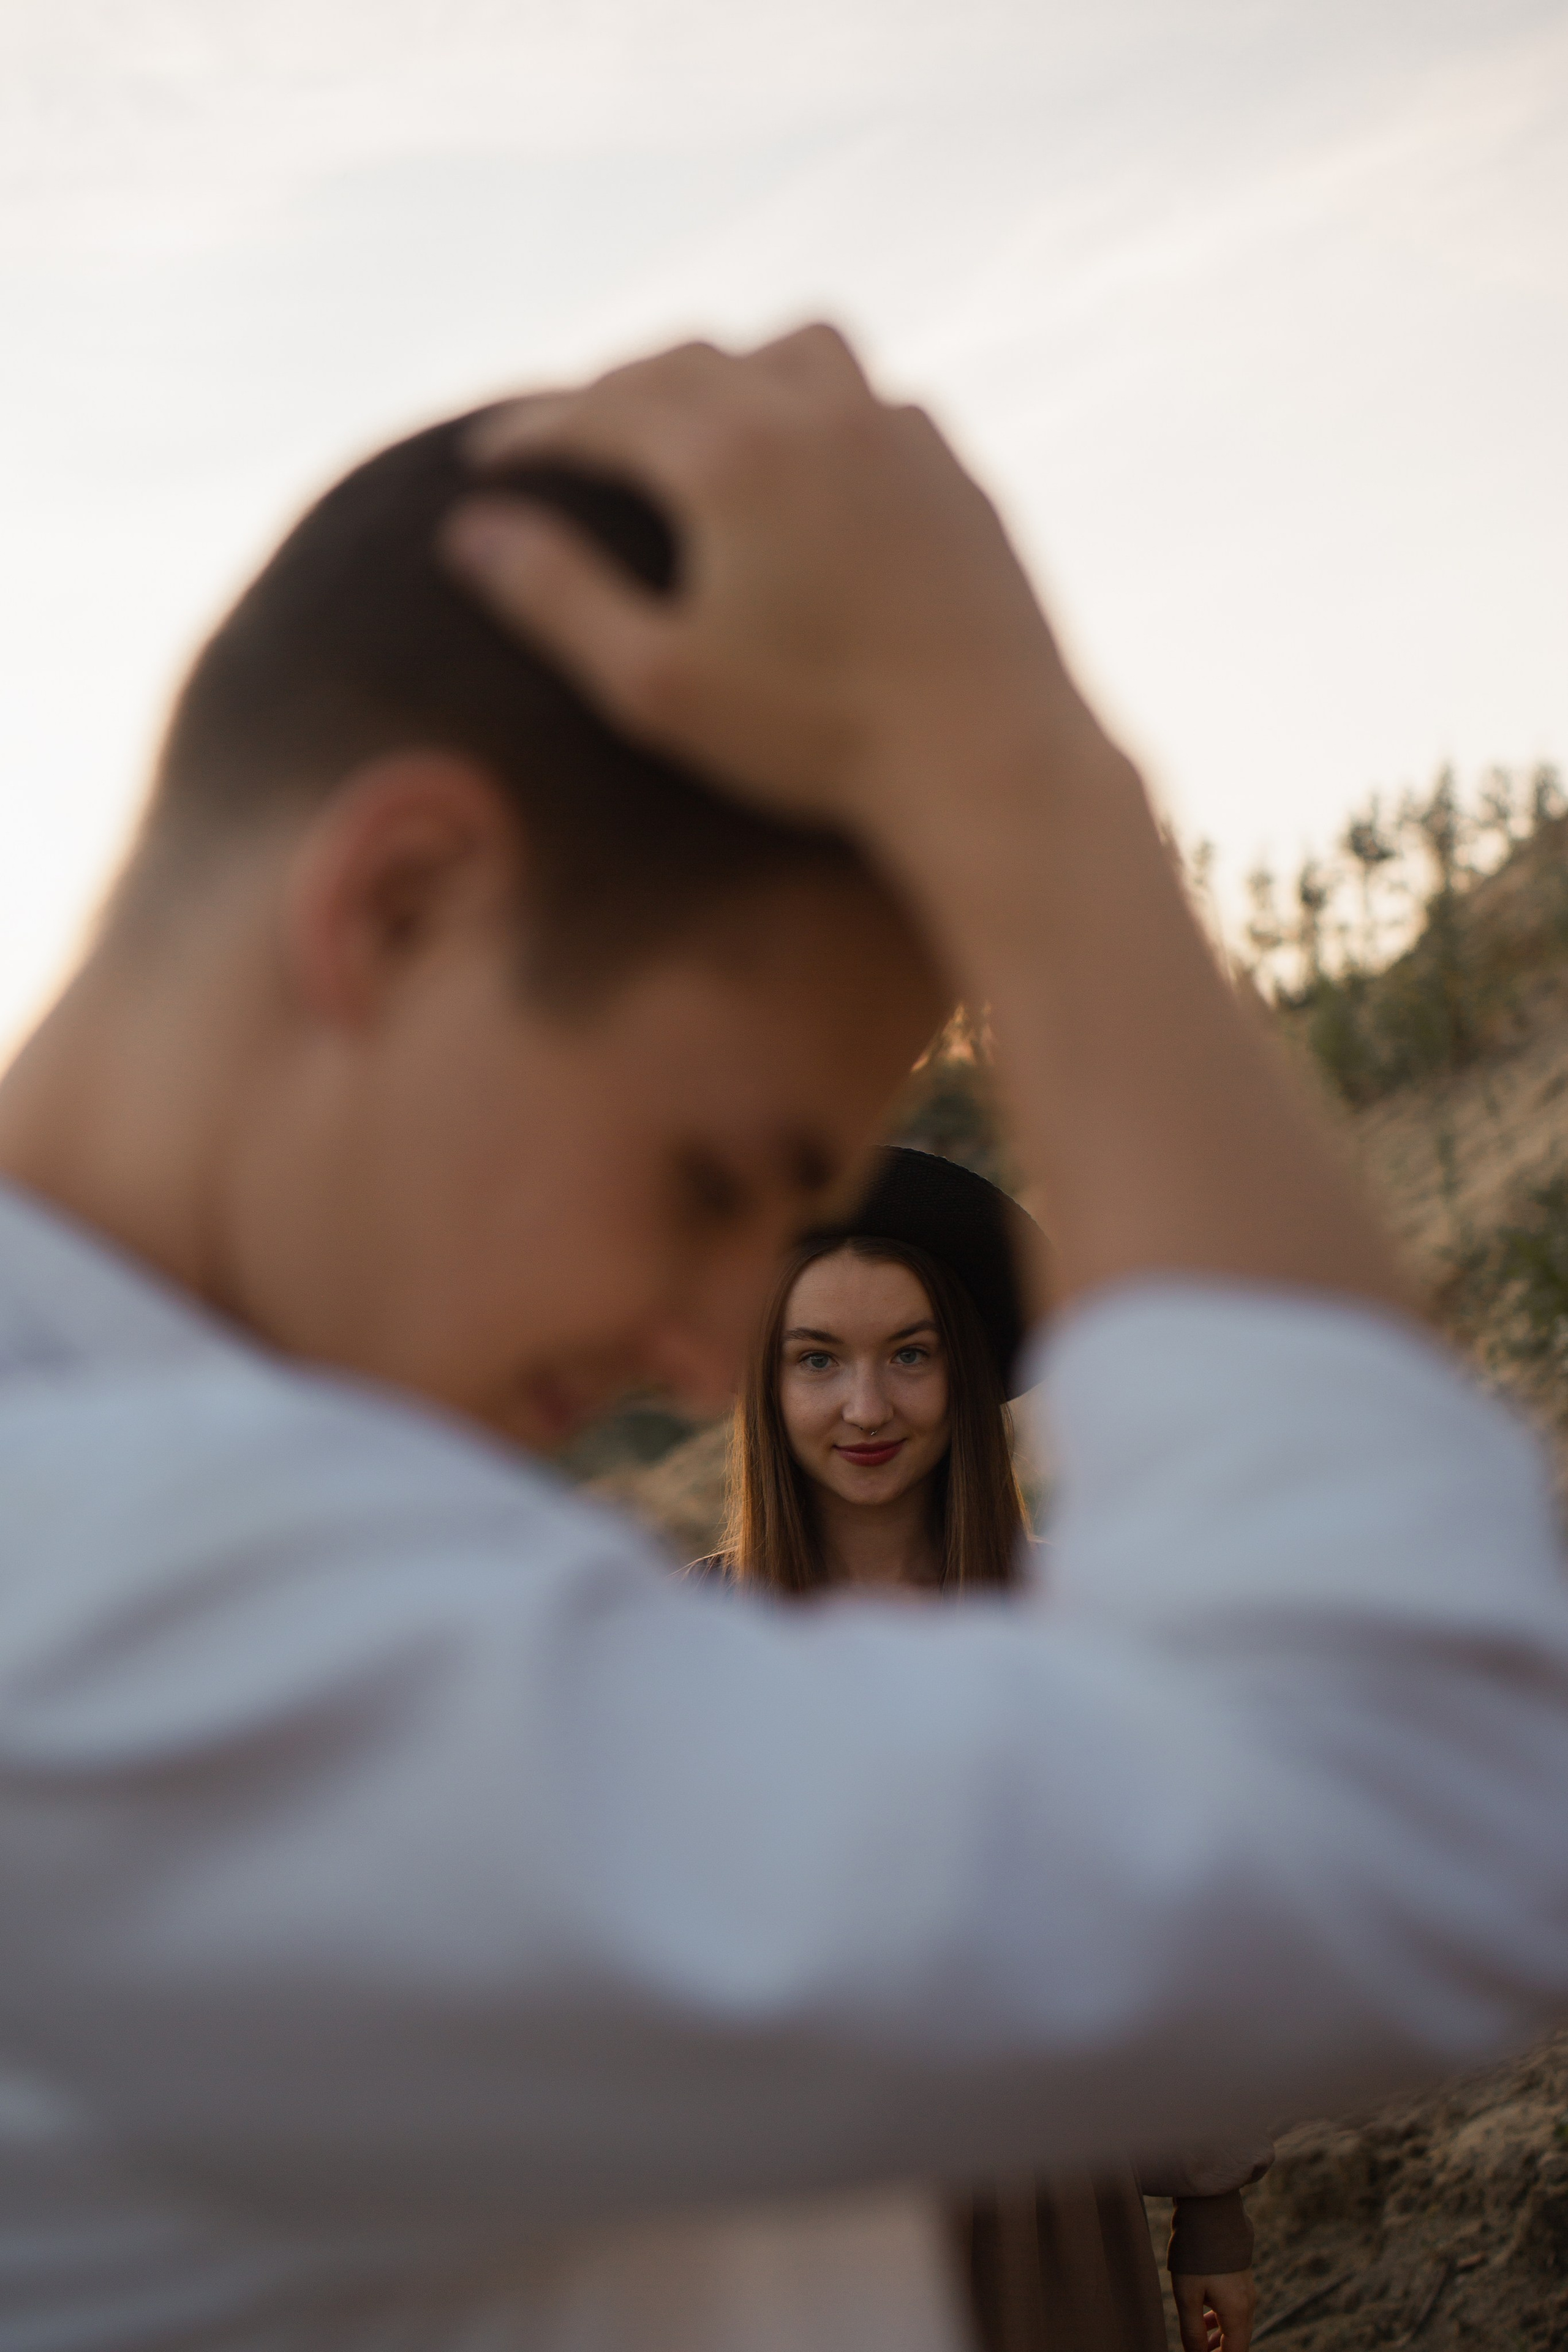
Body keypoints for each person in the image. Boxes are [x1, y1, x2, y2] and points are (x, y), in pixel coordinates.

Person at [0, 328, 1567, 2352]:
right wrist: (1019, 774)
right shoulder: (128, 1598)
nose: (711, 1350)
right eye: (710, 1179)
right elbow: (1424, 1798)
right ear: (398, 905)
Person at [707, 1142, 1268, 2352]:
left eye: (908, 1355)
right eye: (818, 1362)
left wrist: (1210, 2207)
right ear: (765, 1380)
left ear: (964, 1373)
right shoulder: (683, 1653)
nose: (866, 1409)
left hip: (1047, 2215)